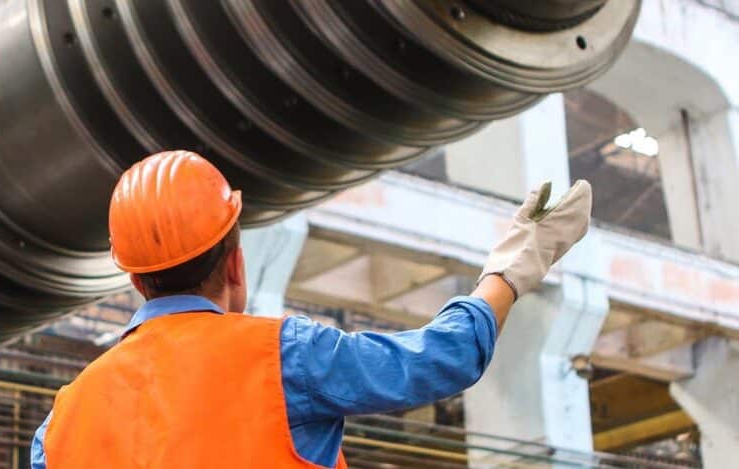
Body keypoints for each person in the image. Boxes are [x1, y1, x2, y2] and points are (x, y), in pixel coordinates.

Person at [31, 150, 591, 468]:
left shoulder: (61, 425)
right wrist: (514, 267)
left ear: (133, 277)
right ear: (235, 263)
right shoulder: (286, 358)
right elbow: (441, 358)